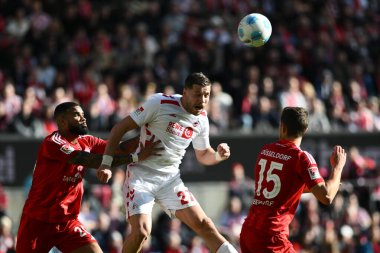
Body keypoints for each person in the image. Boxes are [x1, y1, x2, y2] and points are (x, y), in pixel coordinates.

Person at [97, 72, 238, 253]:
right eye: (197, 94)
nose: (202, 100)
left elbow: (203, 154)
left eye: (206, 95)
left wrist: (218, 155)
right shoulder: (160, 103)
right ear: (185, 92)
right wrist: (106, 163)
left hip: (170, 180)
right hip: (141, 177)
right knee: (141, 232)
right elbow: (119, 128)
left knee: (205, 225)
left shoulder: (202, 118)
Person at [16, 102, 161, 253]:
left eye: (83, 114)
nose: (83, 118)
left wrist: (149, 133)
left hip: (68, 223)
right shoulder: (53, 143)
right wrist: (135, 158)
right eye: (76, 115)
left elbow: (118, 149)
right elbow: (89, 160)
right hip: (38, 221)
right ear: (62, 121)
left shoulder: (87, 141)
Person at [240, 106, 347, 253]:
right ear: (305, 130)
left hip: (249, 231)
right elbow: (327, 196)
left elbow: (282, 188)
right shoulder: (301, 158)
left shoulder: (266, 151)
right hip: (272, 237)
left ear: (282, 127)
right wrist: (338, 168)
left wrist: (322, 186)